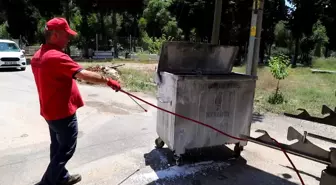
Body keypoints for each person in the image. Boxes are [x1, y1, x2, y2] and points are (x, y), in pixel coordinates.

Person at [31, 17, 121, 185]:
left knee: (57, 147)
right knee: (66, 150)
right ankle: (47, 182)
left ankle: (62, 178)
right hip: (62, 113)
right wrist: (108, 81)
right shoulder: (56, 57)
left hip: (49, 111)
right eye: (66, 35)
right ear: (55, 35)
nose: (68, 39)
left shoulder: (37, 56)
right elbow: (84, 74)